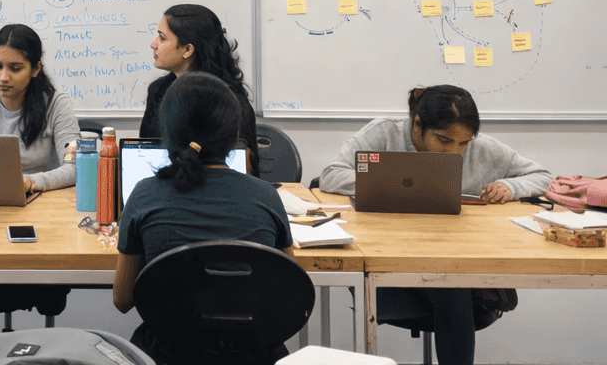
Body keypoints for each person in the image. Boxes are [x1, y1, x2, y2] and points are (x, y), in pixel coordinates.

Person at [318, 84, 553, 365]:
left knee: (450, 283)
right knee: (451, 287)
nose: (455, 152)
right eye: (443, 141)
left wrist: (509, 185)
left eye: (463, 143)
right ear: (417, 125)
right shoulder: (384, 134)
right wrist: (392, 183)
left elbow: (542, 176)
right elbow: (331, 175)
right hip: (390, 259)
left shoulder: (481, 149)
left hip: (450, 262)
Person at [114, 72, 292, 363]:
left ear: (167, 131)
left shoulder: (145, 194)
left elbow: (122, 300)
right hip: (252, 354)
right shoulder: (266, 196)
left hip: (169, 353)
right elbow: (286, 291)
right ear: (233, 134)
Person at [0, 23, 79, 193]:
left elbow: (75, 168)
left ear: (35, 69)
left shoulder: (56, 103)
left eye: (15, 68)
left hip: (42, 199)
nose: (3, 77)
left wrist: (30, 182)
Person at [140, 4, 259, 177]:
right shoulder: (158, 91)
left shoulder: (231, 101)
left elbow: (247, 173)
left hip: (219, 195)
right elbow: (144, 151)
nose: (153, 44)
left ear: (188, 50)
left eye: (162, 38)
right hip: (167, 190)